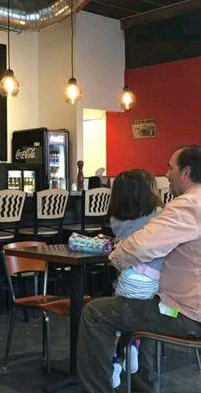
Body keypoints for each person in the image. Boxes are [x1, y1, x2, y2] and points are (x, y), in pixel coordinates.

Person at [77, 145, 201, 393]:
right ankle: (144, 387)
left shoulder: (188, 205)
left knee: (95, 313)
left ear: (185, 172)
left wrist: (115, 256)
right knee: (150, 305)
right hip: (184, 307)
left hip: (187, 314)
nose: (166, 174)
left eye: (171, 167)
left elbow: (142, 246)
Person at [107, 169, 164, 388]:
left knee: (119, 314)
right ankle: (134, 346)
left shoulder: (116, 219)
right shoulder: (158, 214)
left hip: (126, 277)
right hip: (153, 281)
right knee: (143, 313)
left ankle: (117, 358)